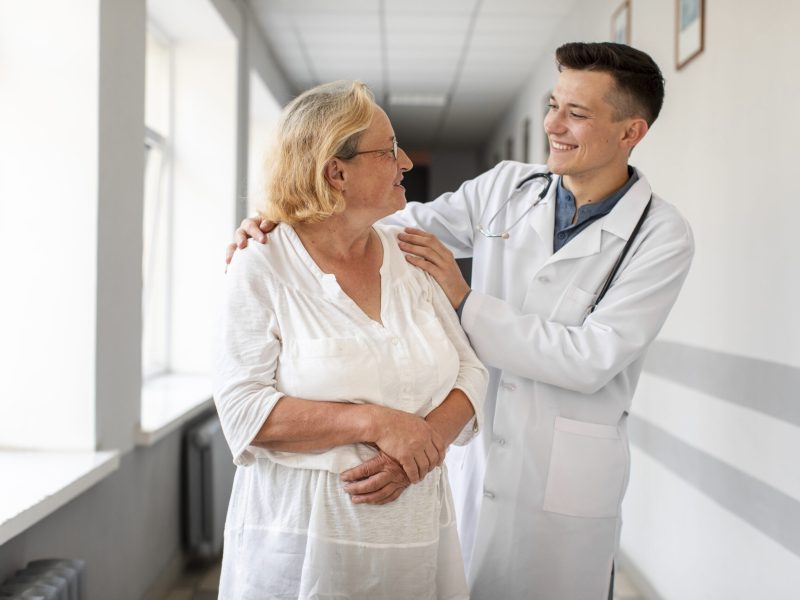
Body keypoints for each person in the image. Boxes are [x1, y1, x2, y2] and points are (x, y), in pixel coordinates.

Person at [229, 42, 694, 599]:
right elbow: (386, 224)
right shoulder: (506, 189)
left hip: (564, 476)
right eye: (553, 104)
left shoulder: (660, 235)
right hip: (472, 459)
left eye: (577, 114)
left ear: (630, 133)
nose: (554, 125)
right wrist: (282, 222)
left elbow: (591, 359)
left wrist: (464, 299)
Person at [215, 80, 487, 600]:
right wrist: (378, 423)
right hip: (304, 544)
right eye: (388, 151)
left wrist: (422, 447)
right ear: (335, 171)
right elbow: (243, 410)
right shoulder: (261, 263)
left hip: (415, 538)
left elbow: (471, 371)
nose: (405, 161)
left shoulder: (410, 255)